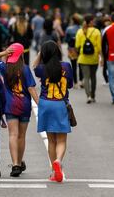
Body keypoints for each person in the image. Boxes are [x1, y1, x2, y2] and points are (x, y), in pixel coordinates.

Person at [0, 43, 39, 177]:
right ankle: (20, 160)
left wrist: (4, 53)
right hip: (24, 104)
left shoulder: (5, 67)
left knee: (13, 135)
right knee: (21, 135)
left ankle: (15, 164)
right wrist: (39, 104)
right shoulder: (25, 69)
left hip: (10, 105)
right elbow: (31, 88)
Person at [33, 41, 73, 182]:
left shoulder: (42, 68)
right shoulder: (66, 66)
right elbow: (70, 84)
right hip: (60, 104)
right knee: (61, 139)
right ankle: (58, 161)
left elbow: (34, 66)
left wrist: (40, 53)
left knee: (51, 140)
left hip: (45, 103)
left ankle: (53, 171)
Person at [75, 14, 101, 104]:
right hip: (94, 58)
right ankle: (93, 95)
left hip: (83, 58)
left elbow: (77, 45)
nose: (94, 22)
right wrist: (101, 57)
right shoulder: (97, 31)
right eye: (93, 21)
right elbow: (99, 47)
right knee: (93, 77)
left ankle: (88, 96)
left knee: (86, 78)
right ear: (90, 22)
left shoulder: (80, 31)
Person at [65, 14, 82, 87]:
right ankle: (81, 80)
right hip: (80, 48)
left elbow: (66, 40)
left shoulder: (69, 29)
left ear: (72, 20)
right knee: (81, 65)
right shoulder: (81, 29)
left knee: (74, 66)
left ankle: (75, 82)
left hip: (72, 49)